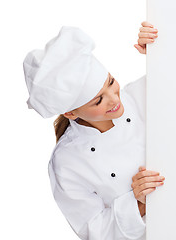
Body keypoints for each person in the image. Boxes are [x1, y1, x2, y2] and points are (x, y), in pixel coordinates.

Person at [23, 21, 164, 240]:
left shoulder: (143, 93)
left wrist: (161, 52)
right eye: (99, 100)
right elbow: (95, 231)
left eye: (111, 82)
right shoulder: (67, 162)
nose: (115, 98)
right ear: (71, 113)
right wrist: (138, 203)